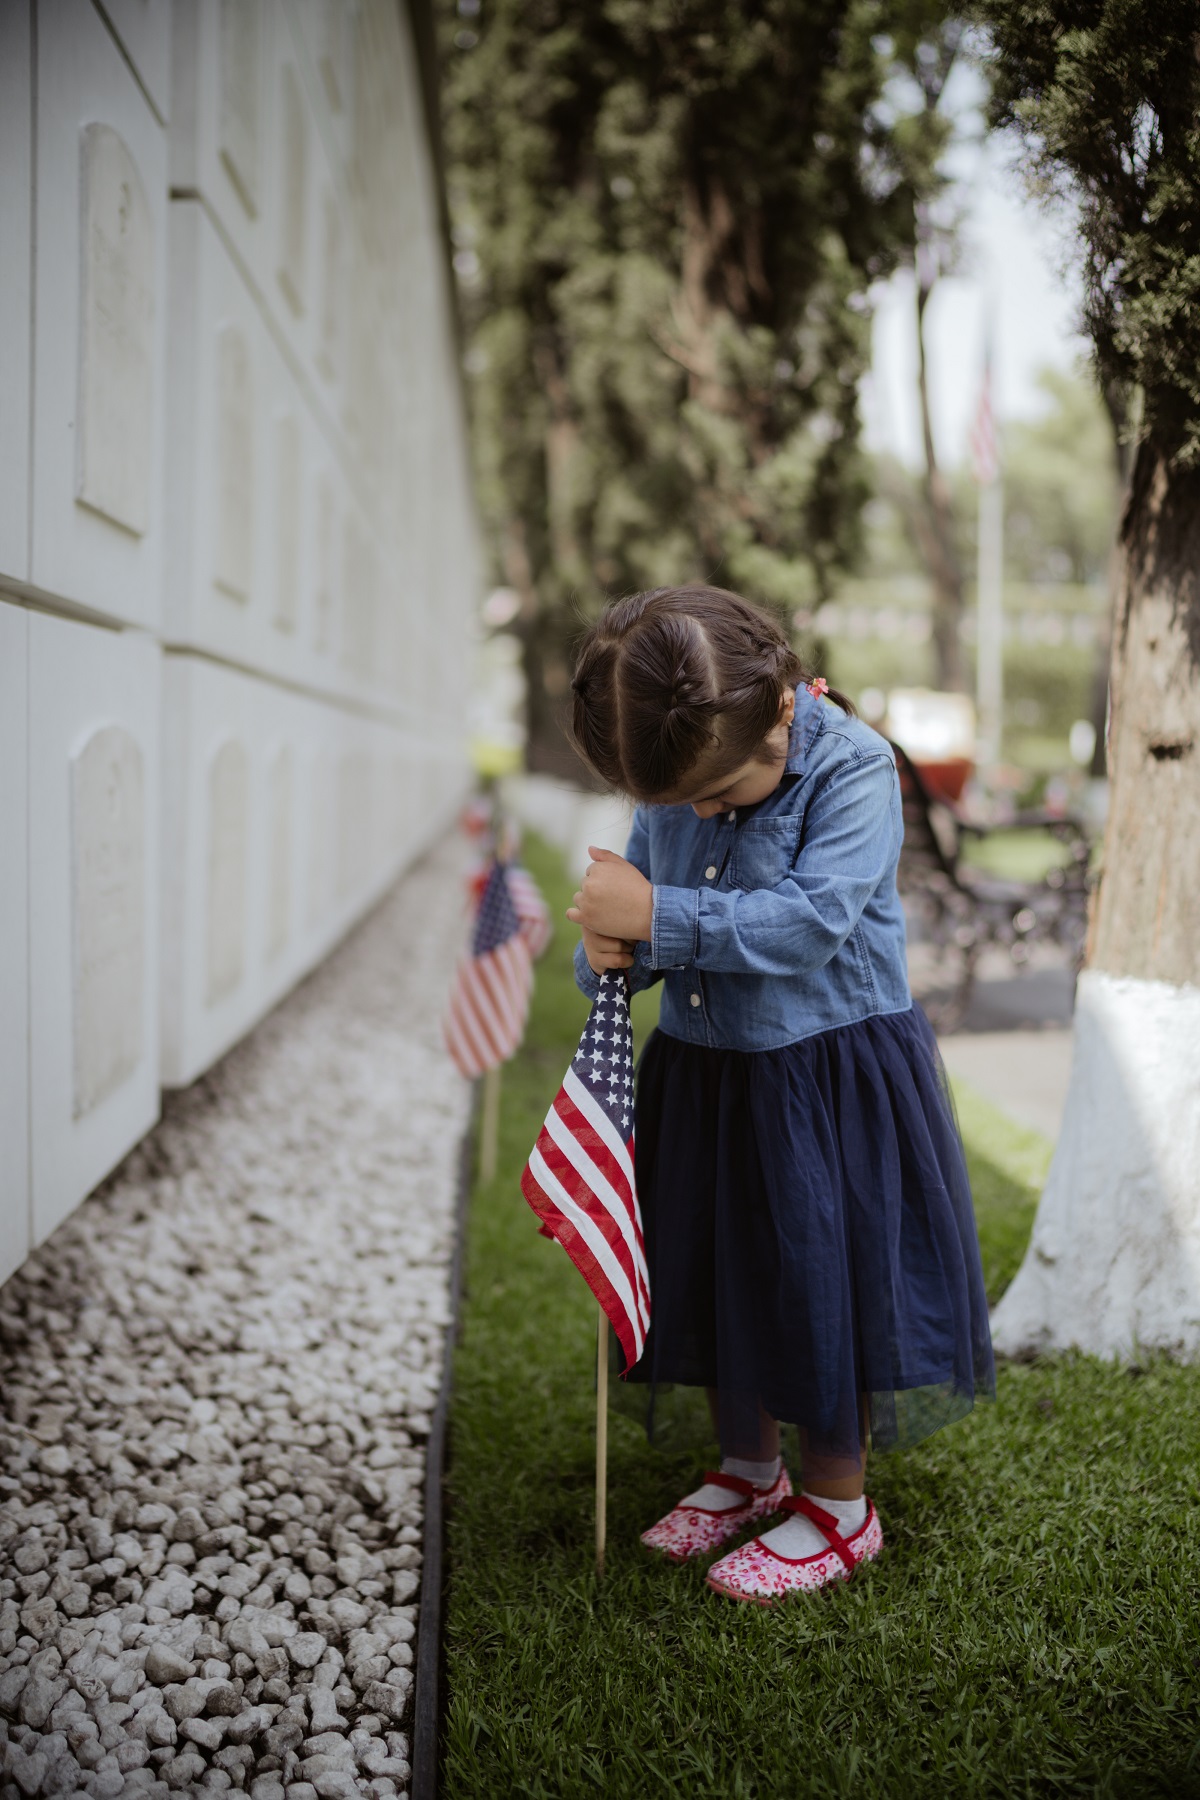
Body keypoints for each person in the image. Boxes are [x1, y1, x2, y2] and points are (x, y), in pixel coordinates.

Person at [565, 585, 994, 1603]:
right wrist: (604, 947)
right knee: (711, 1266)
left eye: (722, 794)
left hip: (821, 1079)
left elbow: (808, 924)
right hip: (705, 1072)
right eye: (682, 804)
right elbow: (633, 932)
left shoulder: (853, 771)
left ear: (784, 709)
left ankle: (841, 1505)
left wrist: (656, 914)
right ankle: (747, 1471)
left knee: (809, 1278)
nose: (702, 814)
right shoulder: (679, 773)